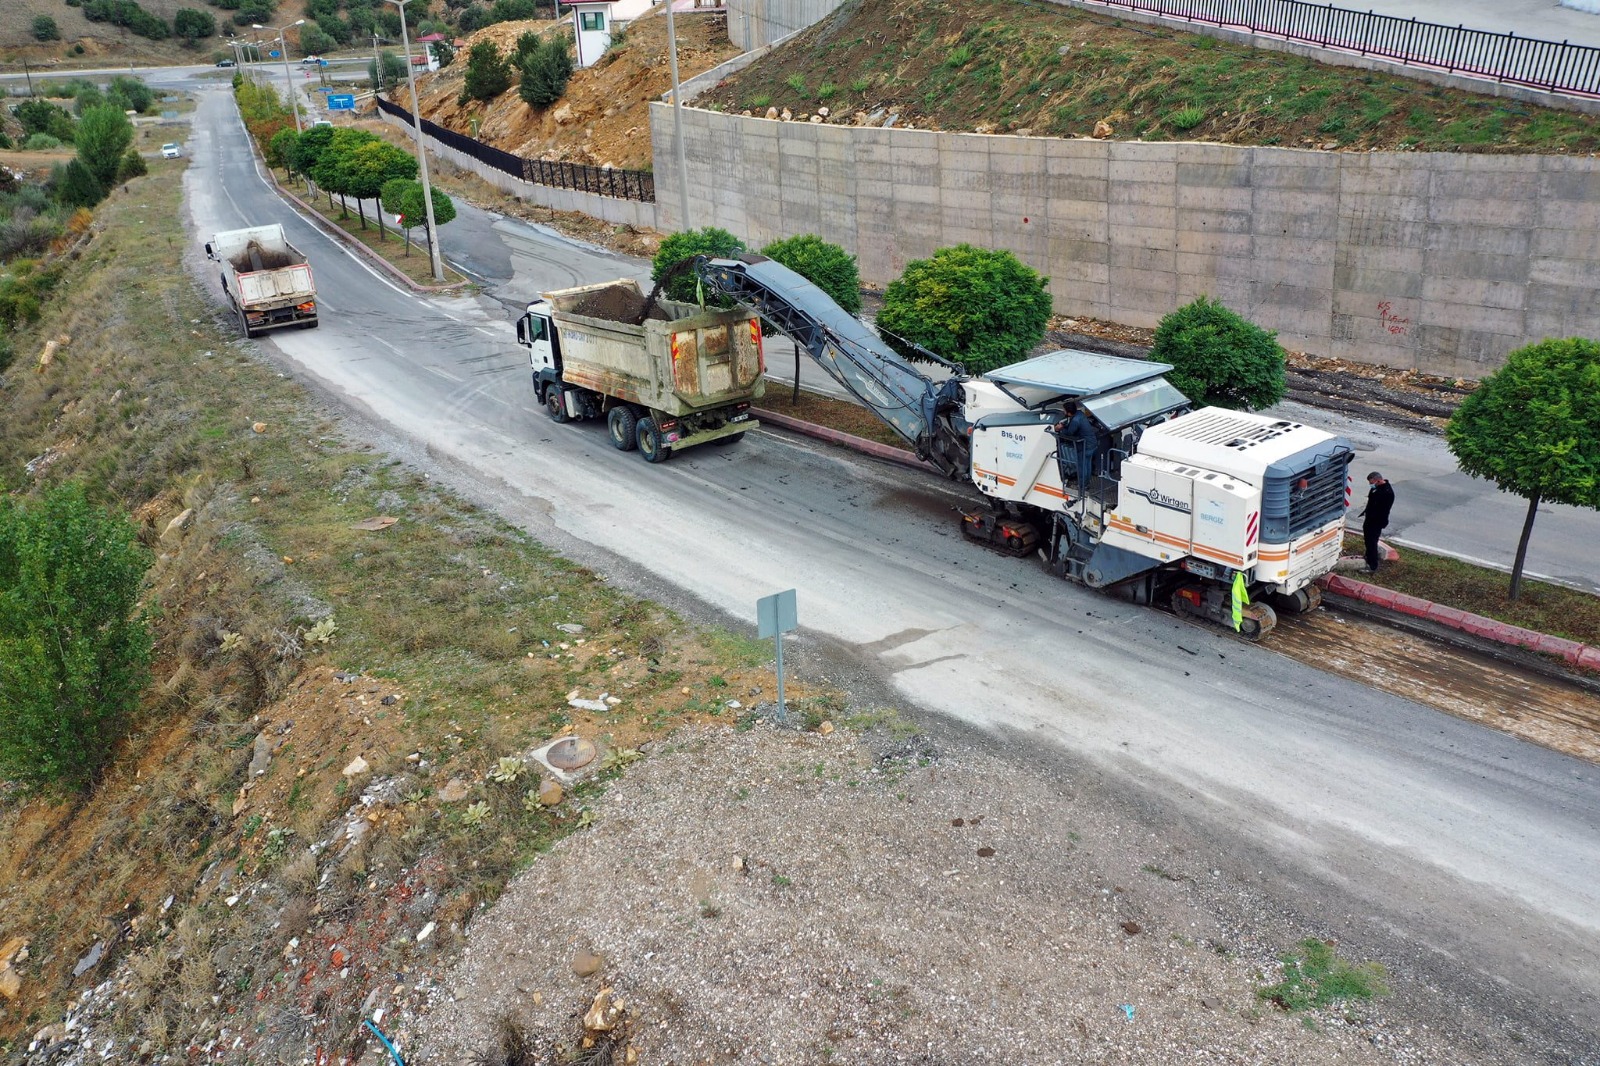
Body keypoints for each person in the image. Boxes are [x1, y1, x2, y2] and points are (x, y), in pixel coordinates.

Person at [1358, 471, 1395, 574]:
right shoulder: (1376, 488)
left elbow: (1382, 510)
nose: (1371, 485)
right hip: (1369, 519)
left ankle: (1372, 565)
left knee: (1372, 542)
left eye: (1372, 482)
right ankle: (1368, 555)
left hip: (1376, 521)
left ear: (1378, 480)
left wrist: (1375, 519)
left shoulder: (1387, 493)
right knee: (1368, 540)